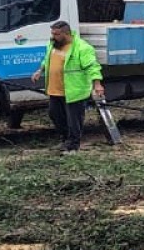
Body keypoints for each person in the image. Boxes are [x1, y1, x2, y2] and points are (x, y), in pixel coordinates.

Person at [31, 20, 105, 154]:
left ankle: (73, 146)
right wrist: (40, 70)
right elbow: (47, 59)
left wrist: (97, 84)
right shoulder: (53, 44)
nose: (53, 36)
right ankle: (66, 140)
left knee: (74, 120)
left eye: (57, 34)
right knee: (55, 115)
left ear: (66, 34)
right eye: (52, 33)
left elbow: (93, 66)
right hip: (55, 89)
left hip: (73, 90)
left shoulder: (82, 48)